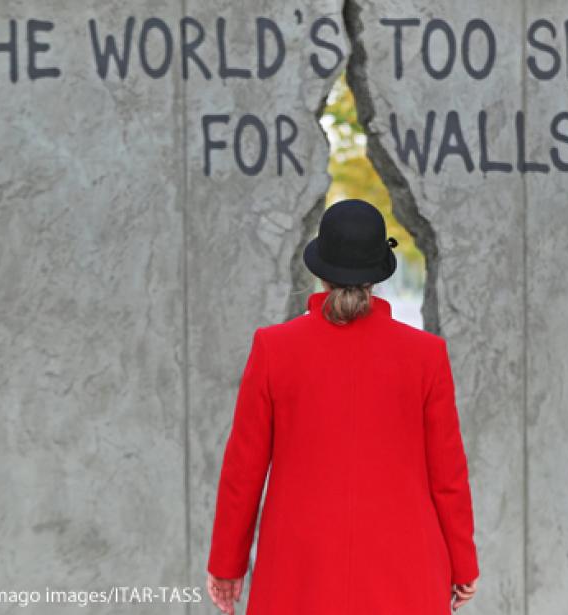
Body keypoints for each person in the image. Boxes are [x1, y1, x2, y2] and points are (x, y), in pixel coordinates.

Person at [205, 199, 480, 614]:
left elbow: (243, 471)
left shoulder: (273, 349)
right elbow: (448, 477)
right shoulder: (426, 356)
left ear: (320, 271)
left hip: (299, 568)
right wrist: (463, 564)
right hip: (405, 566)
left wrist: (227, 565)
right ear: (378, 274)